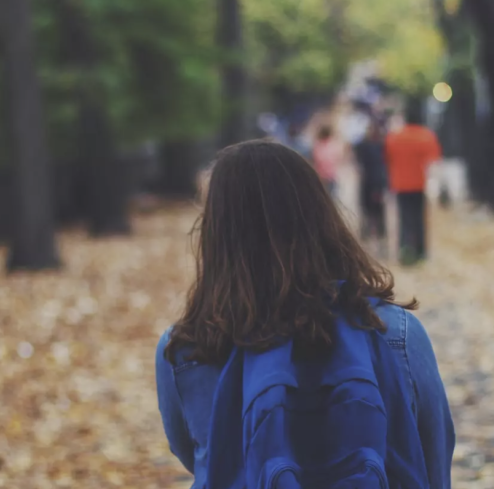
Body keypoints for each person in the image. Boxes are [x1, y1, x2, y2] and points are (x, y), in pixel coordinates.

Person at [156, 141, 454, 489]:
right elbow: (433, 451)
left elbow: (198, 455)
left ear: (216, 234)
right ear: (322, 217)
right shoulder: (396, 332)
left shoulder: (188, 347)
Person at [384, 102, 441, 265]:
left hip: (400, 183)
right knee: (419, 219)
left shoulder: (394, 136)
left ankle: (405, 249)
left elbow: (388, 158)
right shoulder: (426, 136)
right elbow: (433, 162)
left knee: (404, 218)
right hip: (419, 183)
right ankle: (421, 251)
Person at [353, 120, 389, 257]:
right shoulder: (377, 146)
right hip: (371, 184)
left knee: (375, 215)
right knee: (372, 215)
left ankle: (376, 244)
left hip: (373, 184)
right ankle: (373, 244)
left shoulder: (373, 146)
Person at [312, 123, 344, 197]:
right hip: (330, 176)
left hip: (320, 176)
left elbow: (315, 160)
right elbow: (339, 158)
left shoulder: (317, 146)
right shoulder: (333, 146)